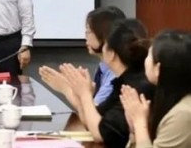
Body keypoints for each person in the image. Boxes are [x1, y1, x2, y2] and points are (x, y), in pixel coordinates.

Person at [59, 19, 154, 148]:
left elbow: (100, 134)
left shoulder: (133, 87)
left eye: (104, 45)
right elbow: (92, 121)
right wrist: (81, 93)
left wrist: (85, 95)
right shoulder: (122, 81)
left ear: (111, 54)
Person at [39, 6, 126, 106]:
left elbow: (93, 112)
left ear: (105, 35)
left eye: (89, 31)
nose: (85, 36)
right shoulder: (104, 65)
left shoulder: (115, 72)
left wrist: (65, 88)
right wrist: (82, 88)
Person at [121, 30, 191, 148]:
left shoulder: (183, 115)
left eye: (149, 55)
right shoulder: (168, 98)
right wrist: (134, 129)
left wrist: (139, 123)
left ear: (158, 68)